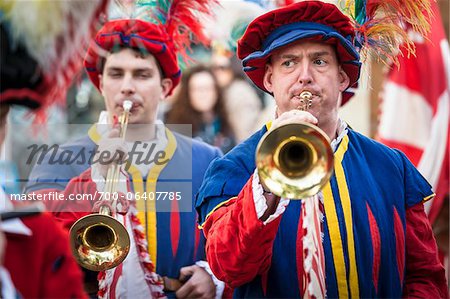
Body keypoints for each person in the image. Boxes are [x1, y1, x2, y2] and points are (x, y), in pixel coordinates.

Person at [196, 1, 449, 298]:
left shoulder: (392, 165)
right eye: (288, 63)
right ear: (269, 80)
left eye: (319, 62)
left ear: (342, 78)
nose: (304, 76)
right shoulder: (233, 167)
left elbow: (424, 275)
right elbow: (228, 268)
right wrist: (265, 182)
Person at [24, 17, 224, 299]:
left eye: (142, 75)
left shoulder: (207, 158)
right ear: (101, 84)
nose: (127, 87)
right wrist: (95, 179)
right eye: (116, 74)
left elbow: (229, 239)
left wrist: (212, 275)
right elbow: (43, 253)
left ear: (166, 87)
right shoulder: (57, 160)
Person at [166, 65, 235, 153]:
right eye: (198, 89)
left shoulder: (224, 124)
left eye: (208, 88)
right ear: (187, 93)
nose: (203, 94)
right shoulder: (176, 127)